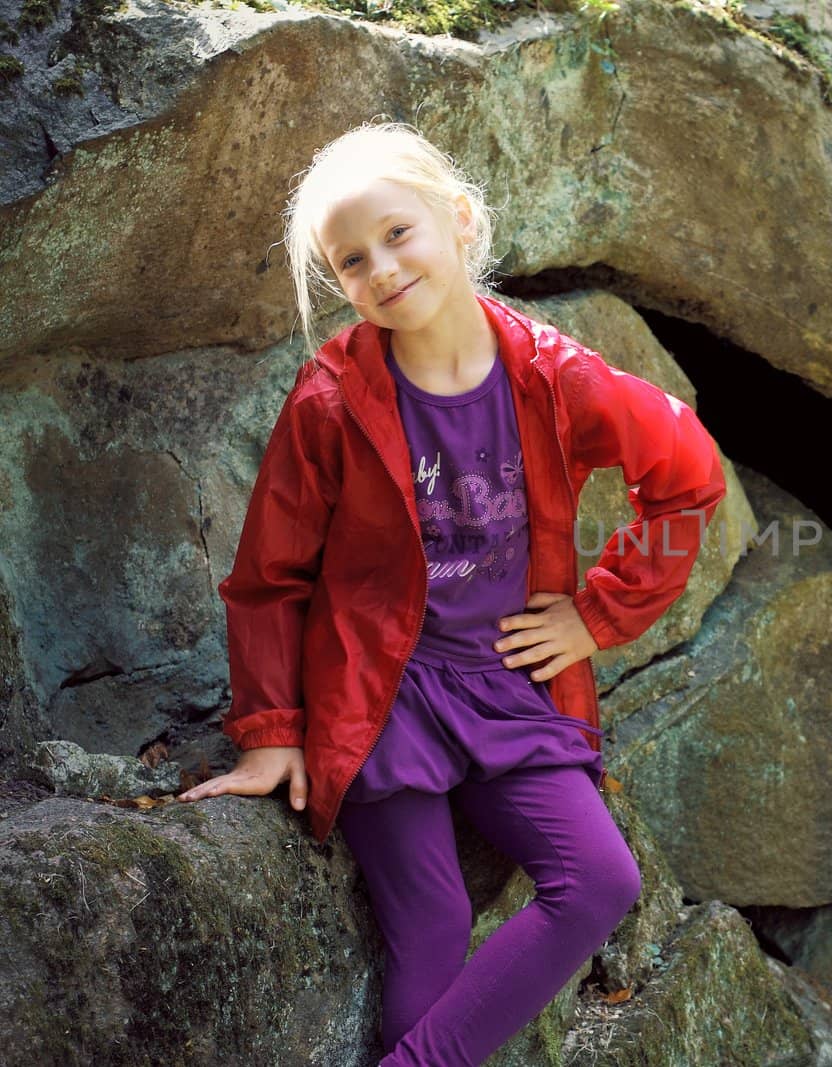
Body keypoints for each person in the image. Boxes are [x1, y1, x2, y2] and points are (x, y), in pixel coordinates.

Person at [176, 121, 727, 1066]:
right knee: (432, 923)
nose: (382, 268)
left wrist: (598, 613)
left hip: (508, 679)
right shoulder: (329, 402)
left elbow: (687, 472)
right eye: (351, 259)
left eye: (399, 233)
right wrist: (272, 731)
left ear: (459, 220)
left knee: (597, 879)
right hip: (381, 693)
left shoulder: (554, 376)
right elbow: (270, 575)